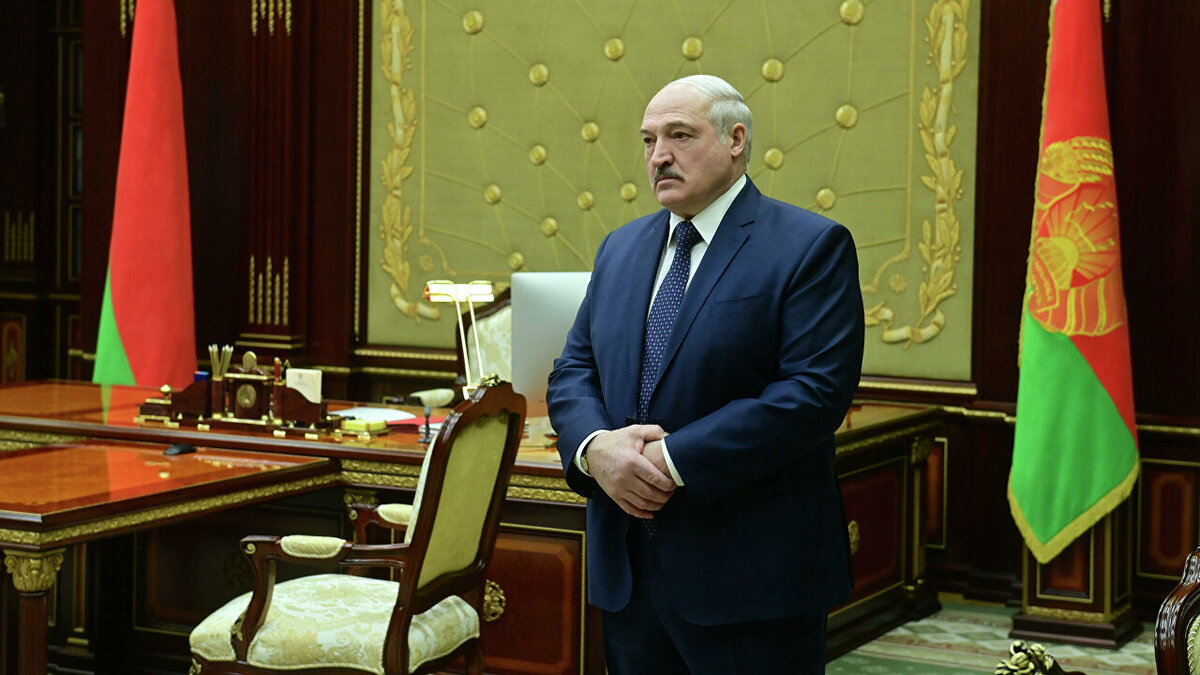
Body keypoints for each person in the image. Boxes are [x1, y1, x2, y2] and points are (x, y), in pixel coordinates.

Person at [547, 74, 865, 673]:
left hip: (752, 577)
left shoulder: (809, 245)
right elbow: (574, 369)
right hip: (629, 573)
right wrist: (596, 448)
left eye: (680, 135)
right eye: (649, 140)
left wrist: (668, 460)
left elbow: (813, 394)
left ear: (735, 140)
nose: (659, 156)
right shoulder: (620, 247)